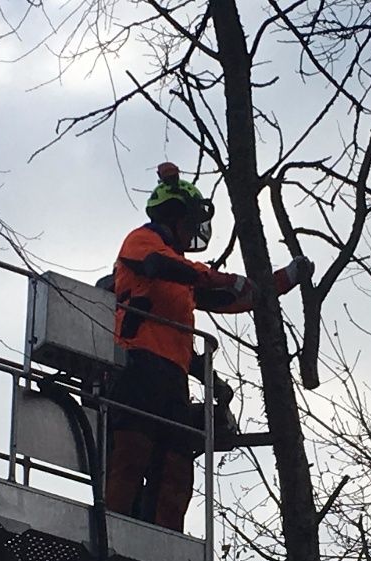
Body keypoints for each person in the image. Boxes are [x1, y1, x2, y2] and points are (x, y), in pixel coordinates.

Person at [106, 162, 314, 531]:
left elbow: (235, 297)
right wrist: (219, 277)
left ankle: (166, 540)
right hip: (139, 368)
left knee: (176, 467)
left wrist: (285, 279)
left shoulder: (184, 276)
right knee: (130, 456)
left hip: (173, 379)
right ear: (174, 216)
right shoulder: (142, 243)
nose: (192, 233)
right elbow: (159, 266)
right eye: (189, 224)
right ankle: (111, 529)